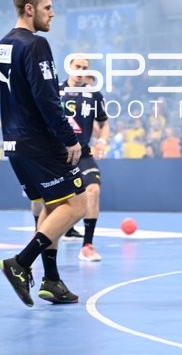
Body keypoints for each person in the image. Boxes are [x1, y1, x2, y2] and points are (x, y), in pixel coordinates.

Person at [0, 0, 86, 307]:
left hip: (15, 143)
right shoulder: (36, 44)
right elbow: (47, 97)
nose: (53, 13)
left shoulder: (3, 45)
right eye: (47, 7)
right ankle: (20, 263)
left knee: (50, 208)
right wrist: (68, 137)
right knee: (77, 206)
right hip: (38, 142)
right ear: (29, 9)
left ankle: (51, 280)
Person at [60, 56, 109, 262]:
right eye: (77, 66)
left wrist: (101, 142)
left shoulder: (93, 95)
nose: (81, 71)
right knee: (47, 201)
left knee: (93, 190)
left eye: (85, 68)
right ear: (69, 67)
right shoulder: (55, 91)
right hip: (55, 155)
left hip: (83, 154)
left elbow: (103, 123)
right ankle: (40, 236)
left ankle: (87, 246)